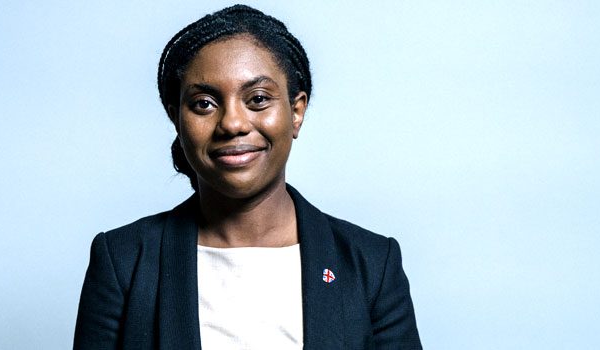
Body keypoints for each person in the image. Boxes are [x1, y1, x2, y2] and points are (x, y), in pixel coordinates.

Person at [73, 4, 422, 349]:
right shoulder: (123, 262)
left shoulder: (371, 264)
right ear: (176, 118)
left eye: (257, 99)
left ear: (296, 111)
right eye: (204, 104)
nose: (233, 124)